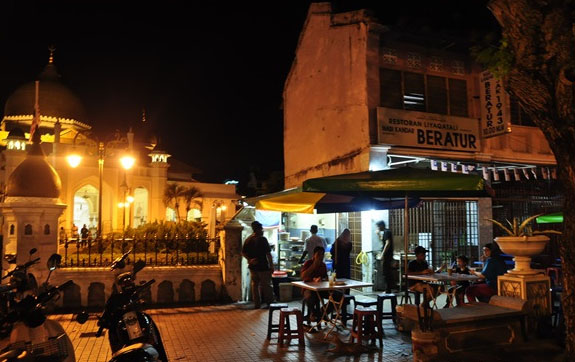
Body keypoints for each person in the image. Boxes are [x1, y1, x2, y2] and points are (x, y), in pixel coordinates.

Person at [241, 221, 274, 309]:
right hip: (263, 266)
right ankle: (270, 303)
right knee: (266, 285)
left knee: (255, 285)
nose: (262, 231)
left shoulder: (248, 239)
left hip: (253, 267)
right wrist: (271, 266)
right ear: (258, 229)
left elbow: (243, 252)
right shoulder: (262, 239)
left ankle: (257, 304)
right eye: (261, 229)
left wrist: (250, 260)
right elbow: (268, 254)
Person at [301, 246, 330, 322]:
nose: (321, 256)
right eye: (319, 254)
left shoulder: (323, 265)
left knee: (338, 296)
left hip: (321, 289)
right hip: (309, 289)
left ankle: (322, 312)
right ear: (314, 255)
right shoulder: (308, 263)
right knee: (310, 297)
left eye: (322, 254)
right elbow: (303, 276)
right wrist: (314, 265)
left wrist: (322, 279)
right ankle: (316, 314)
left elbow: (326, 278)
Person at [376, 220, 394, 293]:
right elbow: (383, 240)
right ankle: (388, 289)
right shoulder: (386, 232)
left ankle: (388, 289)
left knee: (386, 272)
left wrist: (383, 254)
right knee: (386, 272)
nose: (378, 228)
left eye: (378, 226)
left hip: (387, 255)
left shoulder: (387, 232)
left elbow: (387, 243)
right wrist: (378, 234)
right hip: (388, 255)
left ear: (381, 226)